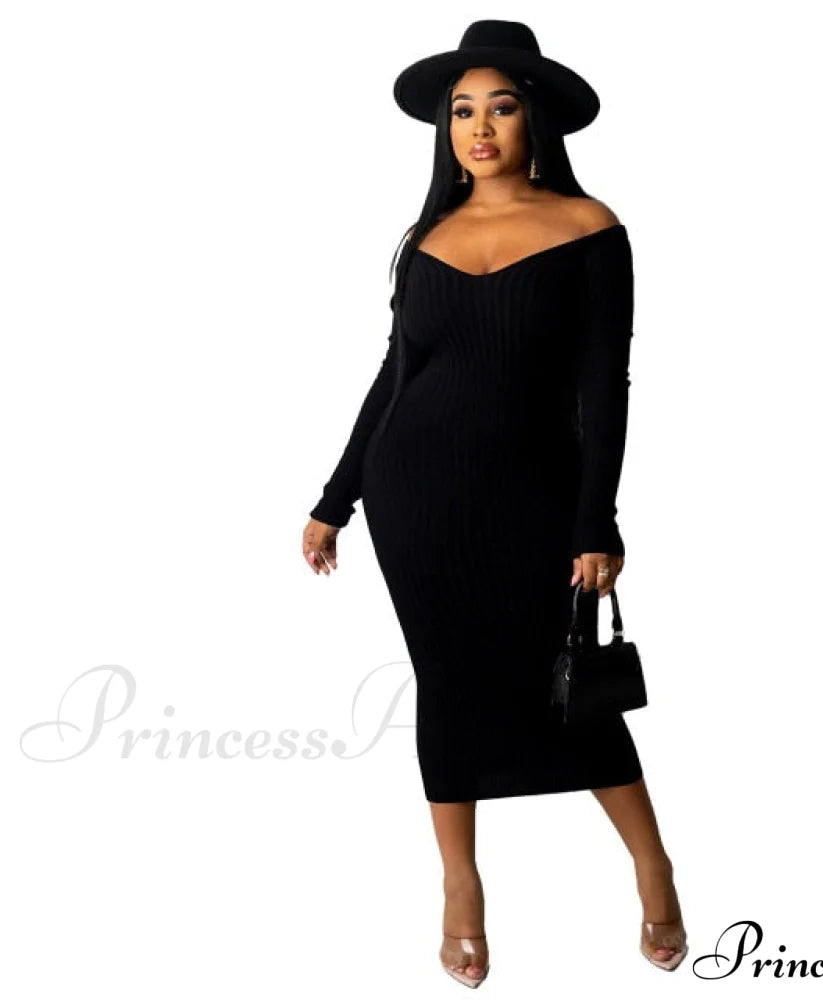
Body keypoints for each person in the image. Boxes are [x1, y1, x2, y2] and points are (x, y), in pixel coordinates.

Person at [301, 20, 687, 986]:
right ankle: (460, 887)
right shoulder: (425, 238)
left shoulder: (590, 227)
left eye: (500, 108)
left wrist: (596, 519)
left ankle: (653, 864)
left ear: (535, 120)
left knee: (567, 686)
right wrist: (337, 498)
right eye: (462, 111)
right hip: (415, 496)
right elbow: (395, 376)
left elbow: (607, 386)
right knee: (447, 683)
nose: (478, 129)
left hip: (537, 494)